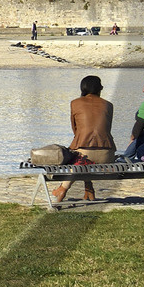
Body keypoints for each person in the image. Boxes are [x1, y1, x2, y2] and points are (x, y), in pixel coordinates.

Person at [52, 75, 116, 203]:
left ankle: (63, 188)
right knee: (84, 160)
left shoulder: (75, 103)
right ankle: (89, 188)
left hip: (83, 154)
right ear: (100, 88)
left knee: (78, 157)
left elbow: (75, 130)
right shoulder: (108, 105)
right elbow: (107, 129)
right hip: (107, 155)